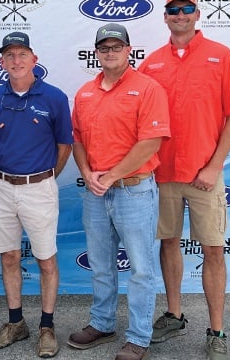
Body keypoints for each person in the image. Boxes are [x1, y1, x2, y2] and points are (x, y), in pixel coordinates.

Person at [138, 0, 230, 360]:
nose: (180, 14)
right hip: (163, 173)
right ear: (165, 16)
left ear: (197, 14)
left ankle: (216, 330)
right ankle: (174, 314)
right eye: (173, 9)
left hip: (205, 174)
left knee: (213, 250)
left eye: (186, 8)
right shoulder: (150, 63)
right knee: (168, 243)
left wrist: (214, 165)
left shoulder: (222, 56)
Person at [67, 23, 170, 360]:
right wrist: (86, 172)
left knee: (141, 268)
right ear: (96, 52)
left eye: (116, 47)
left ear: (129, 50)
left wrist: (110, 176)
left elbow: (150, 143)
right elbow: (78, 138)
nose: (110, 52)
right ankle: (102, 322)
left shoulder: (148, 88)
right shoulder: (85, 92)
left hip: (134, 190)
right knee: (100, 263)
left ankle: (139, 337)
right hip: (96, 191)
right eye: (104, 47)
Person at [0, 32, 73, 358]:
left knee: (46, 260)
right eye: (10, 55)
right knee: (9, 257)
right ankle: (16, 322)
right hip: (2, 186)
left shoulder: (55, 97)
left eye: (22, 54)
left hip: (40, 187)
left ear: (34, 60)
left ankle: (46, 326)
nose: (16, 61)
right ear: (1, 62)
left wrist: (46, 176)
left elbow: (65, 145)